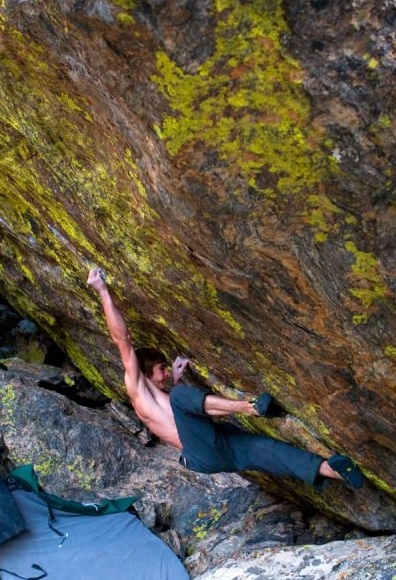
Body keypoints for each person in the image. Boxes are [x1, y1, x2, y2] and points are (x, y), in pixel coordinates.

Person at [87, 268, 363, 491]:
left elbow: (184, 418)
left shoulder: (166, 396)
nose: (167, 373)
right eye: (162, 368)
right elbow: (122, 339)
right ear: (144, 372)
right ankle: (250, 407)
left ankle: (335, 471)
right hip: (201, 454)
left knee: (268, 449)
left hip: (219, 446)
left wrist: (178, 379)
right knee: (183, 398)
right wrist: (102, 290)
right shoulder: (137, 389)